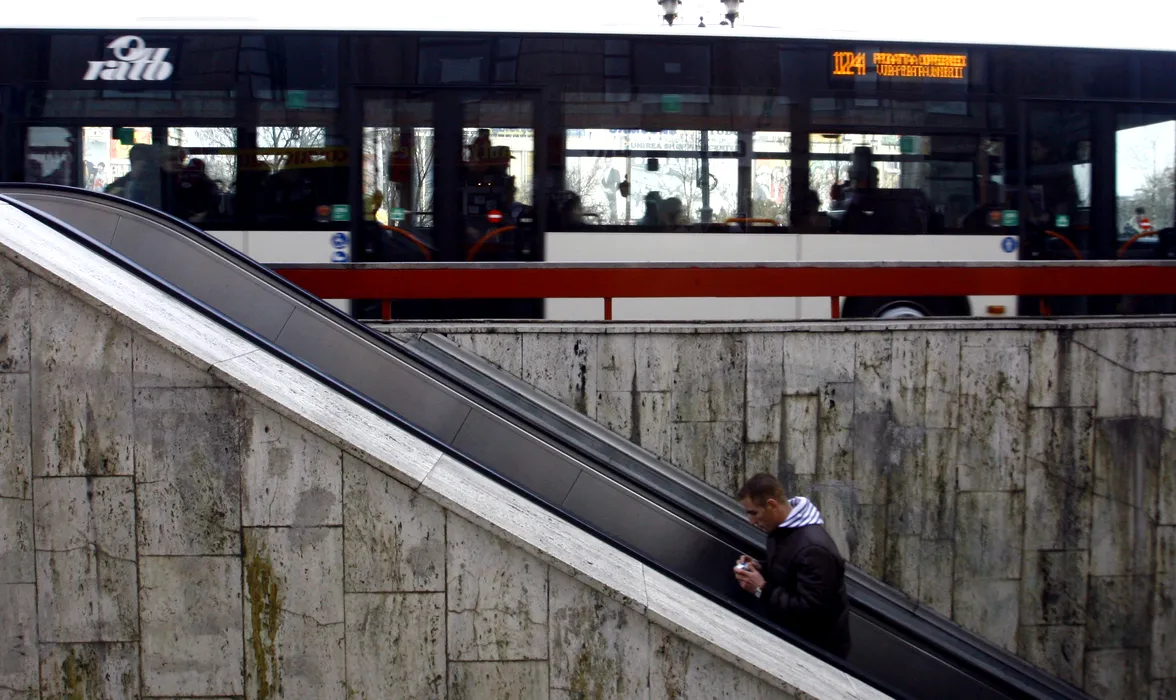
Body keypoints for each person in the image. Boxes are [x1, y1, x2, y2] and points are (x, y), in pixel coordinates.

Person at [732, 472, 851, 658]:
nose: (752, 521)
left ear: (772, 505)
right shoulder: (784, 531)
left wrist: (761, 588)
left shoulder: (814, 549)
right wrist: (760, 568)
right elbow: (790, 570)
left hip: (815, 652)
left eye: (754, 513)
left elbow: (810, 611)